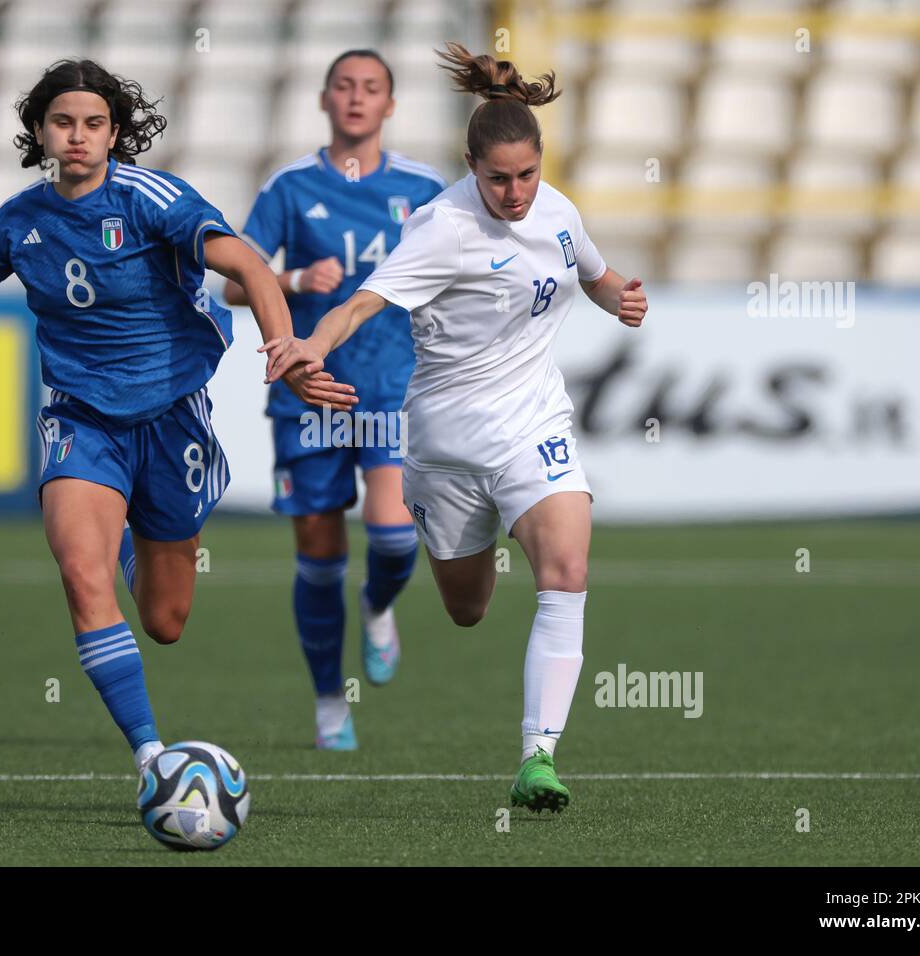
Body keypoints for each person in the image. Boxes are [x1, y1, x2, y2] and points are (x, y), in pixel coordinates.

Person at [0, 59, 348, 794]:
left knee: (166, 621)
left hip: (173, 419)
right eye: (62, 123)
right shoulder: (20, 219)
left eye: (93, 124)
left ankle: (135, 541)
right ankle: (153, 761)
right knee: (83, 575)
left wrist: (285, 348)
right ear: (40, 131)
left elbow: (247, 263)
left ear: (115, 133)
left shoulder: (152, 198)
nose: (77, 137)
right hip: (80, 419)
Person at [261, 42, 649, 812]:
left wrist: (621, 301)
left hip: (535, 425)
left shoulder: (560, 212)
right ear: (472, 168)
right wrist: (309, 344)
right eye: (499, 179)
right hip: (444, 442)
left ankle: (538, 757)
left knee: (567, 573)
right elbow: (362, 304)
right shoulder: (442, 226)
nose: (515, 193)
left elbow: (595, 275)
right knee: (466, 608)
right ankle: (387, 603)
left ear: (542, 163)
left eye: (527, 176)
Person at [218, 49, 446, 751]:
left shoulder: (424, 187)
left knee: (393, 532)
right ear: (324, 99)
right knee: (319, 555)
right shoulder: (289, 187)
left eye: (371, 88)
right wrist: (288, 279)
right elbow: (231, 283)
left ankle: (379, 606)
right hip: (306, 395)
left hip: (389, 387)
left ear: (389, 105)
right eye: (344, 86)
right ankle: (328, 705)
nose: (356, 98)